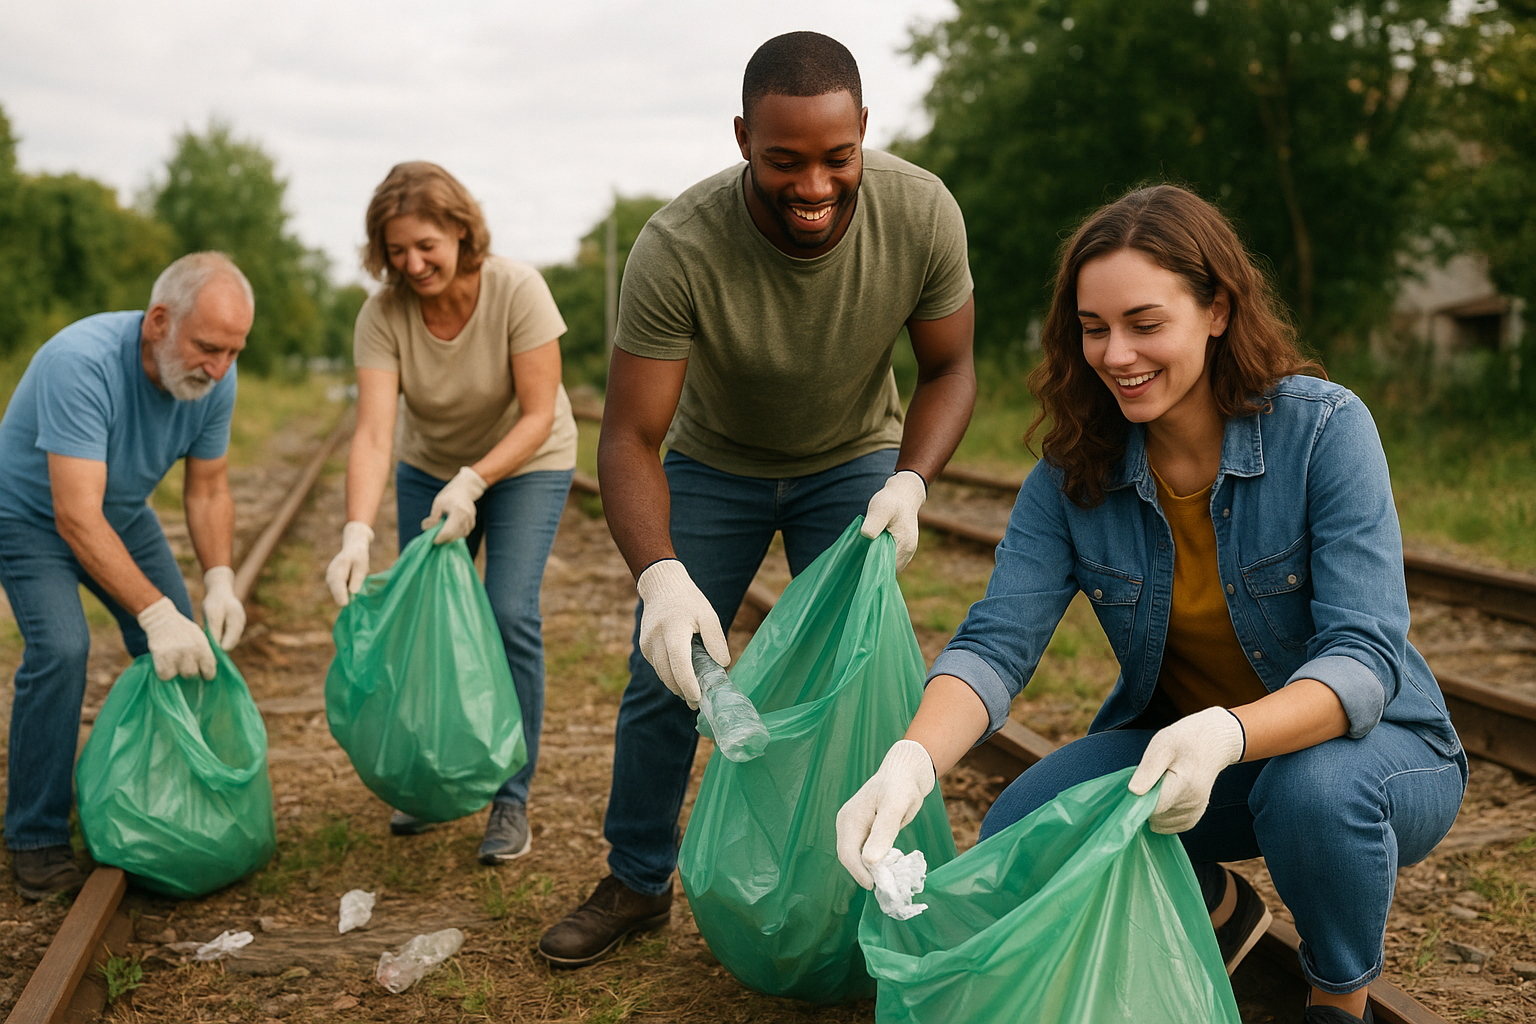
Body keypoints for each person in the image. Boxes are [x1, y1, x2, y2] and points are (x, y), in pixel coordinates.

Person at [835, 184, 1465, 1024]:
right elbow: (998, 642)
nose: (1116, 353)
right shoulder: (1071, 475)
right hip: (1197, 755)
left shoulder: (1324, 431)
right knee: (1025, 826)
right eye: (1094, 329)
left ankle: (1336, 999)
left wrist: (1230, 730)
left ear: (1215, 310)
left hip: (1375, 754)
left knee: (1312, 792)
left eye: (1144, 322)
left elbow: (1364, 661)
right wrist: (907, 764)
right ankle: (1216, 908)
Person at [537, 30, 976, 969]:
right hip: (715, 462)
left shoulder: (923, 212)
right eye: (784, 160)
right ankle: (637, 880)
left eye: (836, 157)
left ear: (864, 130)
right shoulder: (677, 245)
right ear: (742, 138)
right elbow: (627, 437)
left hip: (855, 456)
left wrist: (912, 475)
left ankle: (863, 885)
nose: (814, 185)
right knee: (671, 674)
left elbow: (950, 367)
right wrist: (658, 575)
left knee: (860, 675)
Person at [325, 161, 577, 865]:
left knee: (507, 613)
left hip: (527, 460)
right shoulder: (383, 314)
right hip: (429, 466)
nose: (412, 263)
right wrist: (356, 532)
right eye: (396, 250)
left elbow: (536, 414)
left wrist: (475, 480)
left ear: (461, 232)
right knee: (424, 618)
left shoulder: (516, 288)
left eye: (426, 246)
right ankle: (433, 774)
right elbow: (374, 431)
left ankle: (509, 797)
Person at [0, 252, 253, 899]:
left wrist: (219, 577)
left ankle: (165, 800)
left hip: (119, 510)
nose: (219, 368)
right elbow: (74, 516)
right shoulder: (80, 362)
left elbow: (208, 490)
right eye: (207, 348)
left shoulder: (214, 379)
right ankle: (35, 836)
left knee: (180, 650)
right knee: (62, 648)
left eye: (233, 352)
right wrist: (157, 610)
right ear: (159, 321)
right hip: (30, 514)